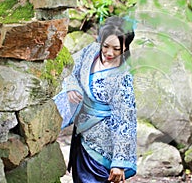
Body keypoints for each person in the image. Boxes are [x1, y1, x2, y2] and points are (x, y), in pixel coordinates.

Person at [53, 16, 137, 183]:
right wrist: (72, 87)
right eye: (105, 46)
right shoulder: (90, 52)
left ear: (125, 47)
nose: (109, 53)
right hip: (81, 136)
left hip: (103, 145)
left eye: (116, 48)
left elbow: (125, 120)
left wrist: (119, 163)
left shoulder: (123, 77)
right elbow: (69, 68)